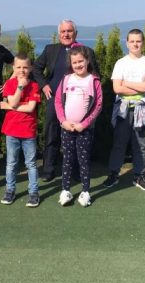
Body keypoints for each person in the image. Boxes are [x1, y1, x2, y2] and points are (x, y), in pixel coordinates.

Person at [32, 19, 99, 182]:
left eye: (69, 31)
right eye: (63, 31)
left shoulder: (87, 51)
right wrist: (44, 85)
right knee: (51, 134)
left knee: (77, 136)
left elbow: (96, 75)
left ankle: (76, 172)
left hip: (78, 103)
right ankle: (48, 170)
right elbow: (36, 68)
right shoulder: (50, 49)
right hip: (54, 100)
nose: (66, 34)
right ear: (59, 34)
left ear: (75, 33)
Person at [102, 29, 145, 192]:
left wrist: (127, 83)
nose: (135, 44)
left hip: (143, 109)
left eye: (138, 41)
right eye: (132, 41)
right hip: (123, 110)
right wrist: (140, 87)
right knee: (119, 144)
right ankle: (113, 174)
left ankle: (139, 176)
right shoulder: (121, 63)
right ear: (127, 43)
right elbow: (117, 88)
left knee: (140, 145)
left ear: (143, 43)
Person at [54, 45, 103, 207]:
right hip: (67, 129)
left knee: (83, 161)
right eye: (74, 62)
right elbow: (58, 102)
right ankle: (65, 190)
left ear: (87, 61)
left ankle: (85, 191)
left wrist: (84, 124)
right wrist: (63, 121)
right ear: (71, 64)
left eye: (81, 61)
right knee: (67, 160)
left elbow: (98, 105)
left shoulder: (93, 80)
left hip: (84, 130)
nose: (78, 65)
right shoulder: (66, 79)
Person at [0, 53, 41, 207]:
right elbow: (14, 101)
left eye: (25, 67)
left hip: (28, 131)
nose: (22, 70)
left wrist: (8, 106)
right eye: (18, 67)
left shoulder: (35, 86)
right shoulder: (10, 84)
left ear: (30, 68)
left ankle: (33, 192)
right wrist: (20, 87)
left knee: (31, 164)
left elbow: (30, 108)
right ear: (13, 68)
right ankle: (10, 190)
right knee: (11, 163)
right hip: (12, 130)